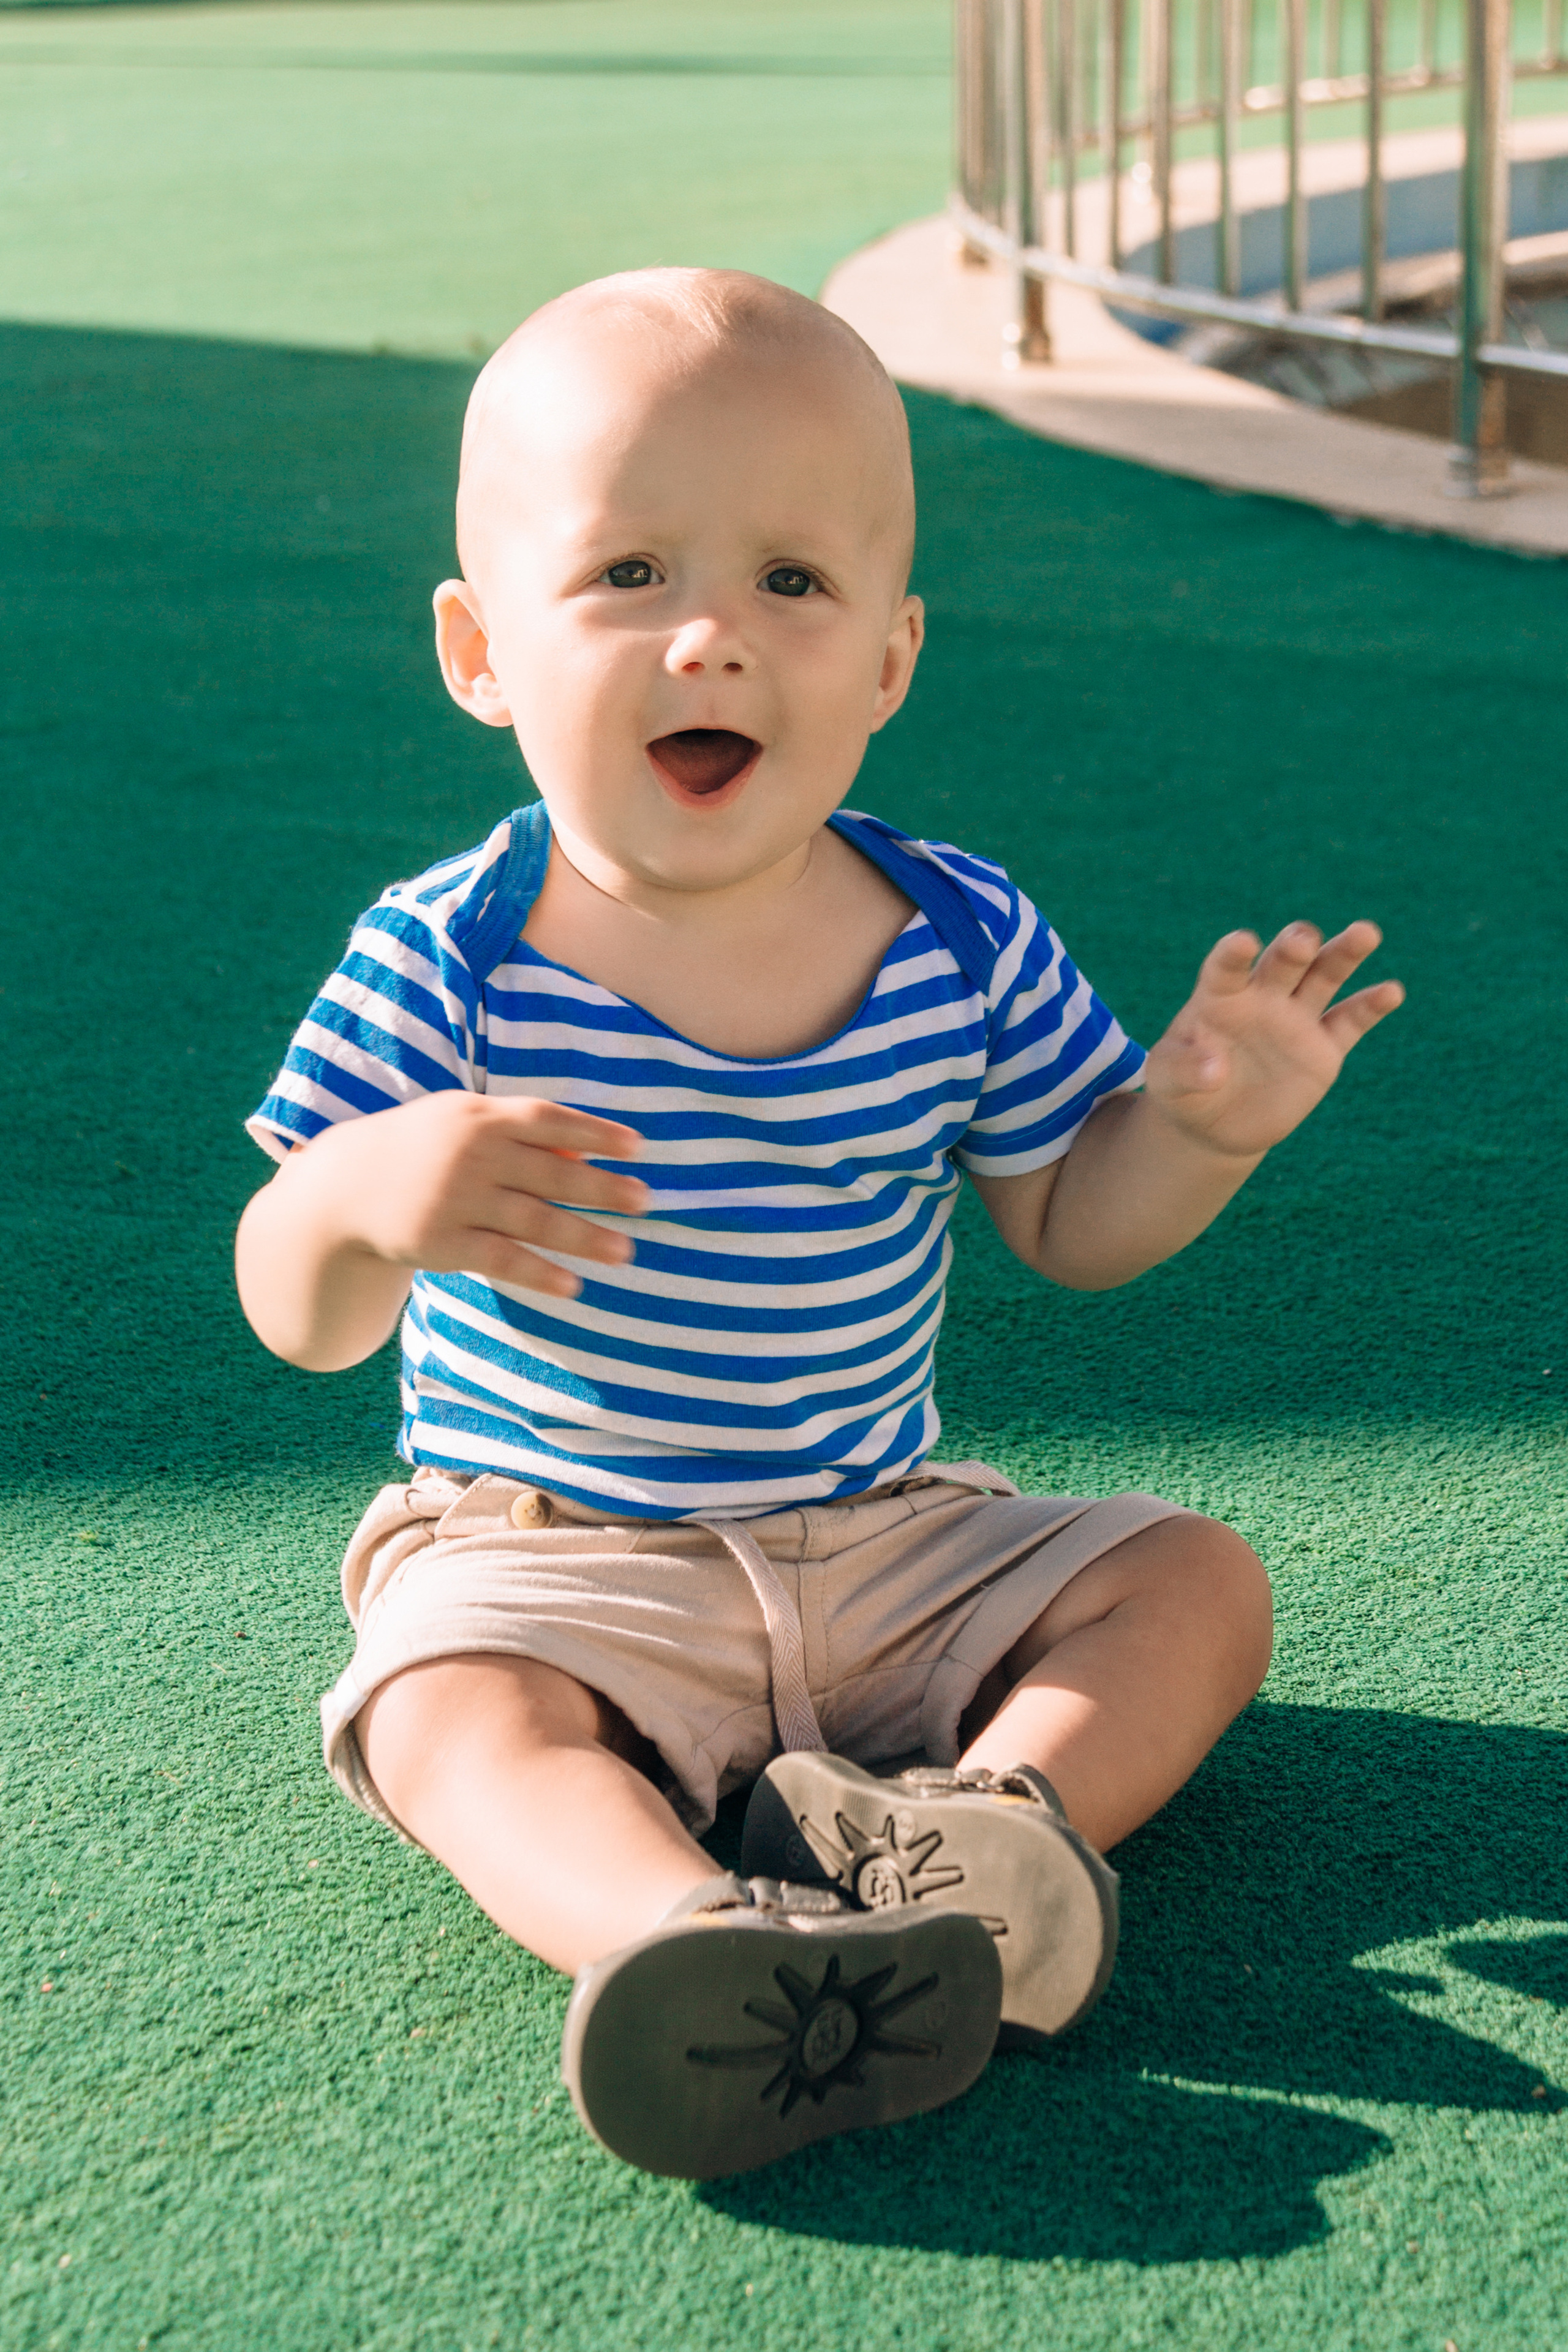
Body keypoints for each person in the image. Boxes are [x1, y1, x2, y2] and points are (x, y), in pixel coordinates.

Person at [235, 267, 1403, 2181]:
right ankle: (690, 1943)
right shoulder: (443, 962)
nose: (712, 641)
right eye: (628, 576)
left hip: (883, 1541)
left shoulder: (956, 937)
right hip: (554, 1556)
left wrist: (1203, 1133)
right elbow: (294, 1304)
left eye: (792, 583)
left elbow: (1070, 1222)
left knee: (1194, 1580)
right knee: (449, 1709)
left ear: (887, 661)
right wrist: (366, 1192)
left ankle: (982, 1831)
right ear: (480, 651)